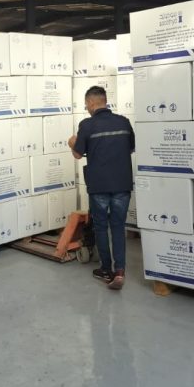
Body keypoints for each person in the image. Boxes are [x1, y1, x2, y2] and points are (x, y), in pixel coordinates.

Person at [68, 86, 134, 290]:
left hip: (99, 185)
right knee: (118, 226)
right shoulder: (123, 122)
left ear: (91, 103)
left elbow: (78, 154)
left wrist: (72, 143)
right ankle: (120, 271)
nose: (86, 108)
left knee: (101, 226)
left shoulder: (87, 125)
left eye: (86, 105)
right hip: (122, 183)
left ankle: (106, 269)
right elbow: (131, 148)